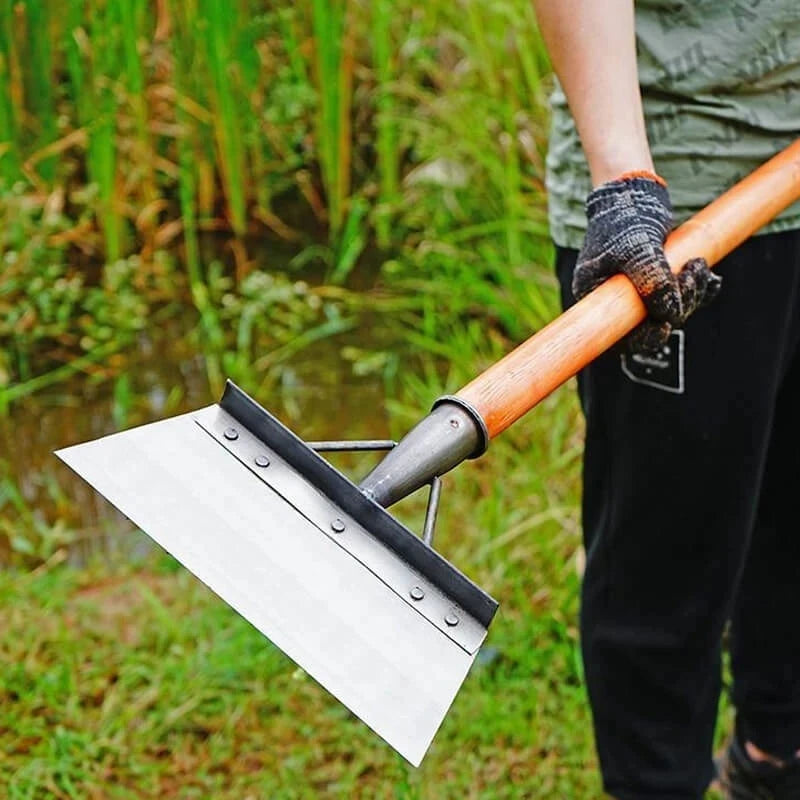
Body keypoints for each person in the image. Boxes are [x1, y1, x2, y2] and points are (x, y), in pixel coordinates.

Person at [531, 1, 800, 798]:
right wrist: (623, 182)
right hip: (682, 199)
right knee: (666, 559)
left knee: (791, 512)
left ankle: (775, 755)